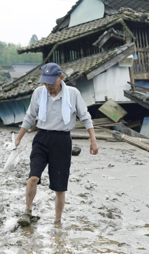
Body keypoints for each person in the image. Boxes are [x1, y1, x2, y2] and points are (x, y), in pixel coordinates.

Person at [14, 62, 98, 227]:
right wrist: (18, 138)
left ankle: (57, 221)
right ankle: (28, 211)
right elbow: (30, 116)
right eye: (45, 82)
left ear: (61, 78)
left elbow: (85, 117)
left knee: (60, 186)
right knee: (33, 177)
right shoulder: (39, 93)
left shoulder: (73, 94)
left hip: (62, 141)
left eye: (51, 82)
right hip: (42, 139)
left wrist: (93, 140)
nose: (48, 86)